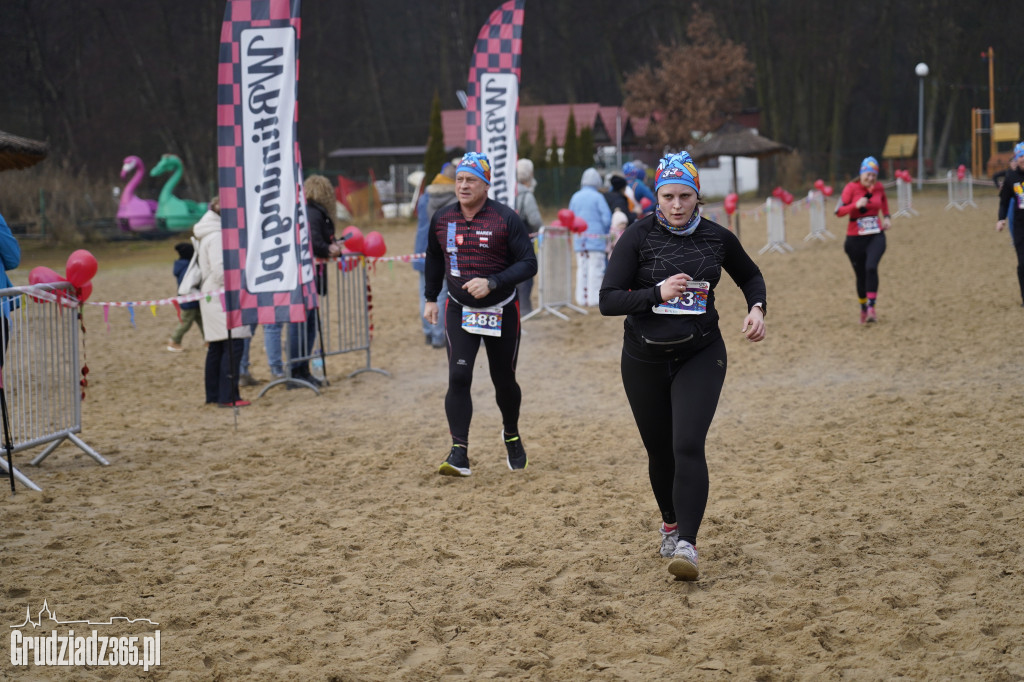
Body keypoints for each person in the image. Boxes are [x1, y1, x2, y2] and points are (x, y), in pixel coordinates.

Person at [599, 151, 766, 580]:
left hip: (700, 353)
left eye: (685, 196)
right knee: (660, 452)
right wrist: (657, 293)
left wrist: (757, 308)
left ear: (697, 197)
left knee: (687, 444)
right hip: (643, 357)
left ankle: (688, 546)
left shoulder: (717, 238)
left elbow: (750, 275)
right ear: (657, 195)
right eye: (668, 196)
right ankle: (670, 523)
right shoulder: (636, 237)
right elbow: (608, 300)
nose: (676, 205)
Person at [423, 152, 538, 476]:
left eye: (470, 180)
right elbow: (434, 257)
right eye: (459, 179)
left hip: (501, 310)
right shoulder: (442, 218)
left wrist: (493, 281)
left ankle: (511, 434)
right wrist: (431, 298)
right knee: (458, 377)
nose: (463, 185)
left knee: (503, 380)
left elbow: (529, 263)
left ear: (486, 185)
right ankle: (459, 452)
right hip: (460, 310)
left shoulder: (506, 218)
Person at [194, 196, 252, 407]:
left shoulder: (208, 233)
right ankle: (228, 396)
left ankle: (214, 394)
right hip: (221, 294)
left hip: (212, 294)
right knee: (233, 344)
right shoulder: (218, 236)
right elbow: (221, 271)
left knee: (217, 347)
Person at [288, 175, 344, 386]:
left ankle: (302, 368)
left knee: (310, 324)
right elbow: (313, 242)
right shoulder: (313, 213)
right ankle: (296, 370)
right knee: (303, 325)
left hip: (309, 275)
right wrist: (329, 248)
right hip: (305, 276)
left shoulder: (312, 212)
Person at [835, 156, 891, 324]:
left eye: (874, 175)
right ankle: (863, 308)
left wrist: (887, 217)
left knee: (871, 267)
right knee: (860, 276)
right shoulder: (851, 188)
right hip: (854, 239)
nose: (871, 178)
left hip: (876, 235)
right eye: (868, 174)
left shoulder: (879, 187)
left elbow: (884, 201)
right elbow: (838, 211)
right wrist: (855, 205)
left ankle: (872, 307)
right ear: (861, 173)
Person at [413, 160, 457, 348]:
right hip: (441, 251)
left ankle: (428, 333)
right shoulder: (455, 200)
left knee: (425, 294)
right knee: (440, 295)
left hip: (422, 249)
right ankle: (439, 336)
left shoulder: (425, 197)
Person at [569, 168, 611, 307]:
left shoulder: (575, 196)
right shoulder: (598, 197)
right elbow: (606, 218)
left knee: (582, 269)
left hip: (579, 240)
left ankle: (581, 299)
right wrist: (604, 232)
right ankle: (594, 299)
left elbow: (570, 217)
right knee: (596, 269)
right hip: (596, 240)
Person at [996, 142, 1024, 305]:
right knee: (1022, 264)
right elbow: (1004, 201)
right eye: (1020, 156)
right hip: (1020, 227)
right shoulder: (1011, 178)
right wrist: (1001, 219)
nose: (1023, 159)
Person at [514, 158, 543, 316]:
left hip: (507, 241)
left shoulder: (507, 191)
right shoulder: (526, 195)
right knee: (526, 276)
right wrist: (542, 229)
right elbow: (535, 220)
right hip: (524, 242)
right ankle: (524, 310)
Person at [167, 242, 203, 352]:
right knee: (185, 322)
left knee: (202, 320)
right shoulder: (187, 268)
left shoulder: (183, 266)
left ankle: (209, 341)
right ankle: (174, 341)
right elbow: (188, 286)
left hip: (193, 299)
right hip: (189, 299)